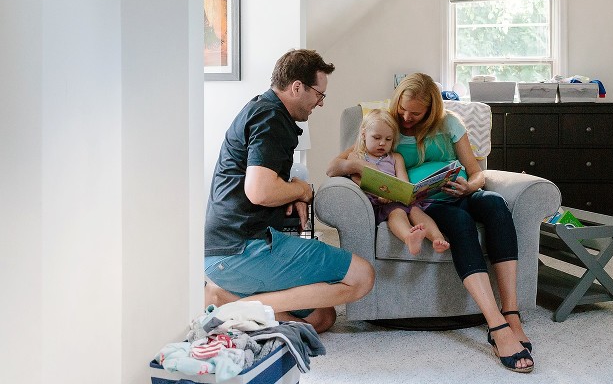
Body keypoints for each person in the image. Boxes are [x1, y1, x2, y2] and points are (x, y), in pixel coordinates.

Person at [327, 73, 534, 372]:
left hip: (459, 190)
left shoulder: (449, 124)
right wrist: (358, 165)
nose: (407, 117)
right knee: (460, 223)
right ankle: (497, 326)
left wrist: (471, 187)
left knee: (495, 203)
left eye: (416, 112)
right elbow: (336, 165)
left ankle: (511, 313)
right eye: (403, 109)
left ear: (432, 109)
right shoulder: (386, 125)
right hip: (427, 203)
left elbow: (477, 173)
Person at [204, 49, 374, 334]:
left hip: (223, 250)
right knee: (361, 277)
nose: (319, 104)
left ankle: (226, 298)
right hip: (241, 248)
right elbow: (259, 191)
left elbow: (262, 177)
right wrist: (301, 189)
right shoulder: (271, 118)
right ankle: (228, 307)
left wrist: (292, 191)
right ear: (297, 87)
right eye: (319, 95)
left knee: (322, 317)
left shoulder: (262, 110)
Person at [347, 109, 450, 255]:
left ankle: (437, 239)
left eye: (388, 139)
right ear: (363, 134)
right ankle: (409, 237)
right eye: (376, 138)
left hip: (397, 198)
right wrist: (378, 193)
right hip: (378, 203)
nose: (382, 143)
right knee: (397, 211)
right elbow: (356, 179)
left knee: (416, 210)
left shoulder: (396, 158)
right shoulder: (356, 156)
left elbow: (403, 182)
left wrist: (411, 192)